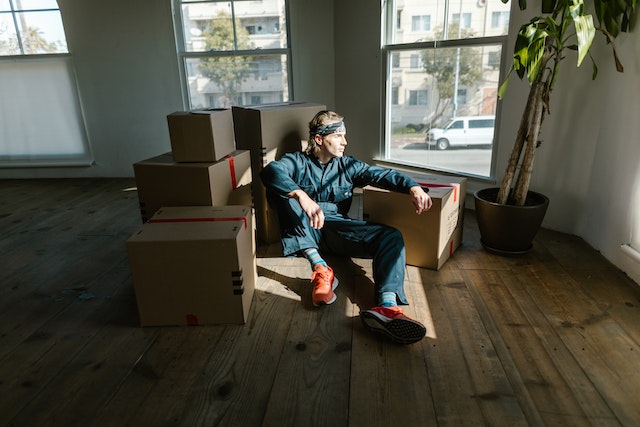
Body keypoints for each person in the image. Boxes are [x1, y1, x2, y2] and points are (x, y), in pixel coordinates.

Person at [260, 110, 432, 345]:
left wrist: (413, 187)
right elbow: (271, 171)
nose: (345, 142)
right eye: (339, 136)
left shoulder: (348, 166)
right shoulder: (296, 162)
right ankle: (321, 269)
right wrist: (301, 195)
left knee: (391, 236)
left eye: (345, 136)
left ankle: (387, 307)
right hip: (305, 231)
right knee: (285, 195)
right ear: (319, 139)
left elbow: (381, 175)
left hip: (336, 230)